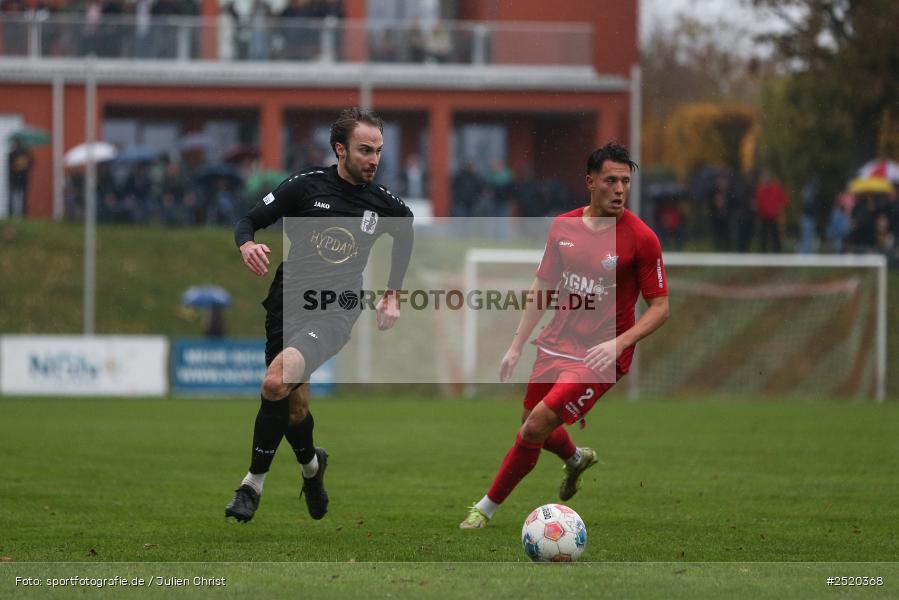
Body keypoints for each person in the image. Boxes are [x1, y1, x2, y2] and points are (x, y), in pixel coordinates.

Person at [459, 142, 669, 529]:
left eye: (625, 181)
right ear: (590, 182)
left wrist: (619, 344)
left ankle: (484, 509)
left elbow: (660, 307)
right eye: (611, 181)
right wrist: (516, 345)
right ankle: (575, 459)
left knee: (535, 425)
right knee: (530, 420)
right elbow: (542, 288)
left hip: (601, 356)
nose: (620, 189)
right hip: (556, 343)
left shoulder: (642, 239)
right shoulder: (563, 227)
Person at [225, 107, 414, 523]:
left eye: (379, 151)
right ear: (340, 149)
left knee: (275, 382)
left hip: (335, 308)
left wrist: (392, 294)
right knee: (292, 408)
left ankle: (251, 486)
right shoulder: (305, 187)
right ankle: (313, 469)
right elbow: (249, 220)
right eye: (365, 150)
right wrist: (246, 244)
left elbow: (405, 231)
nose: (374, 160)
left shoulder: (383, 205)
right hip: (286, 304)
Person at [7, 137, 33, 218]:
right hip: (14, 179)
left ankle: (22, 214)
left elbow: (31, 164)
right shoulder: (12, 154)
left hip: (22, 179)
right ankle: (11, 214)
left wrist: (28, 156)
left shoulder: (26, 154)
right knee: (12, 197)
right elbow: (11, 166)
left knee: (22, 198)